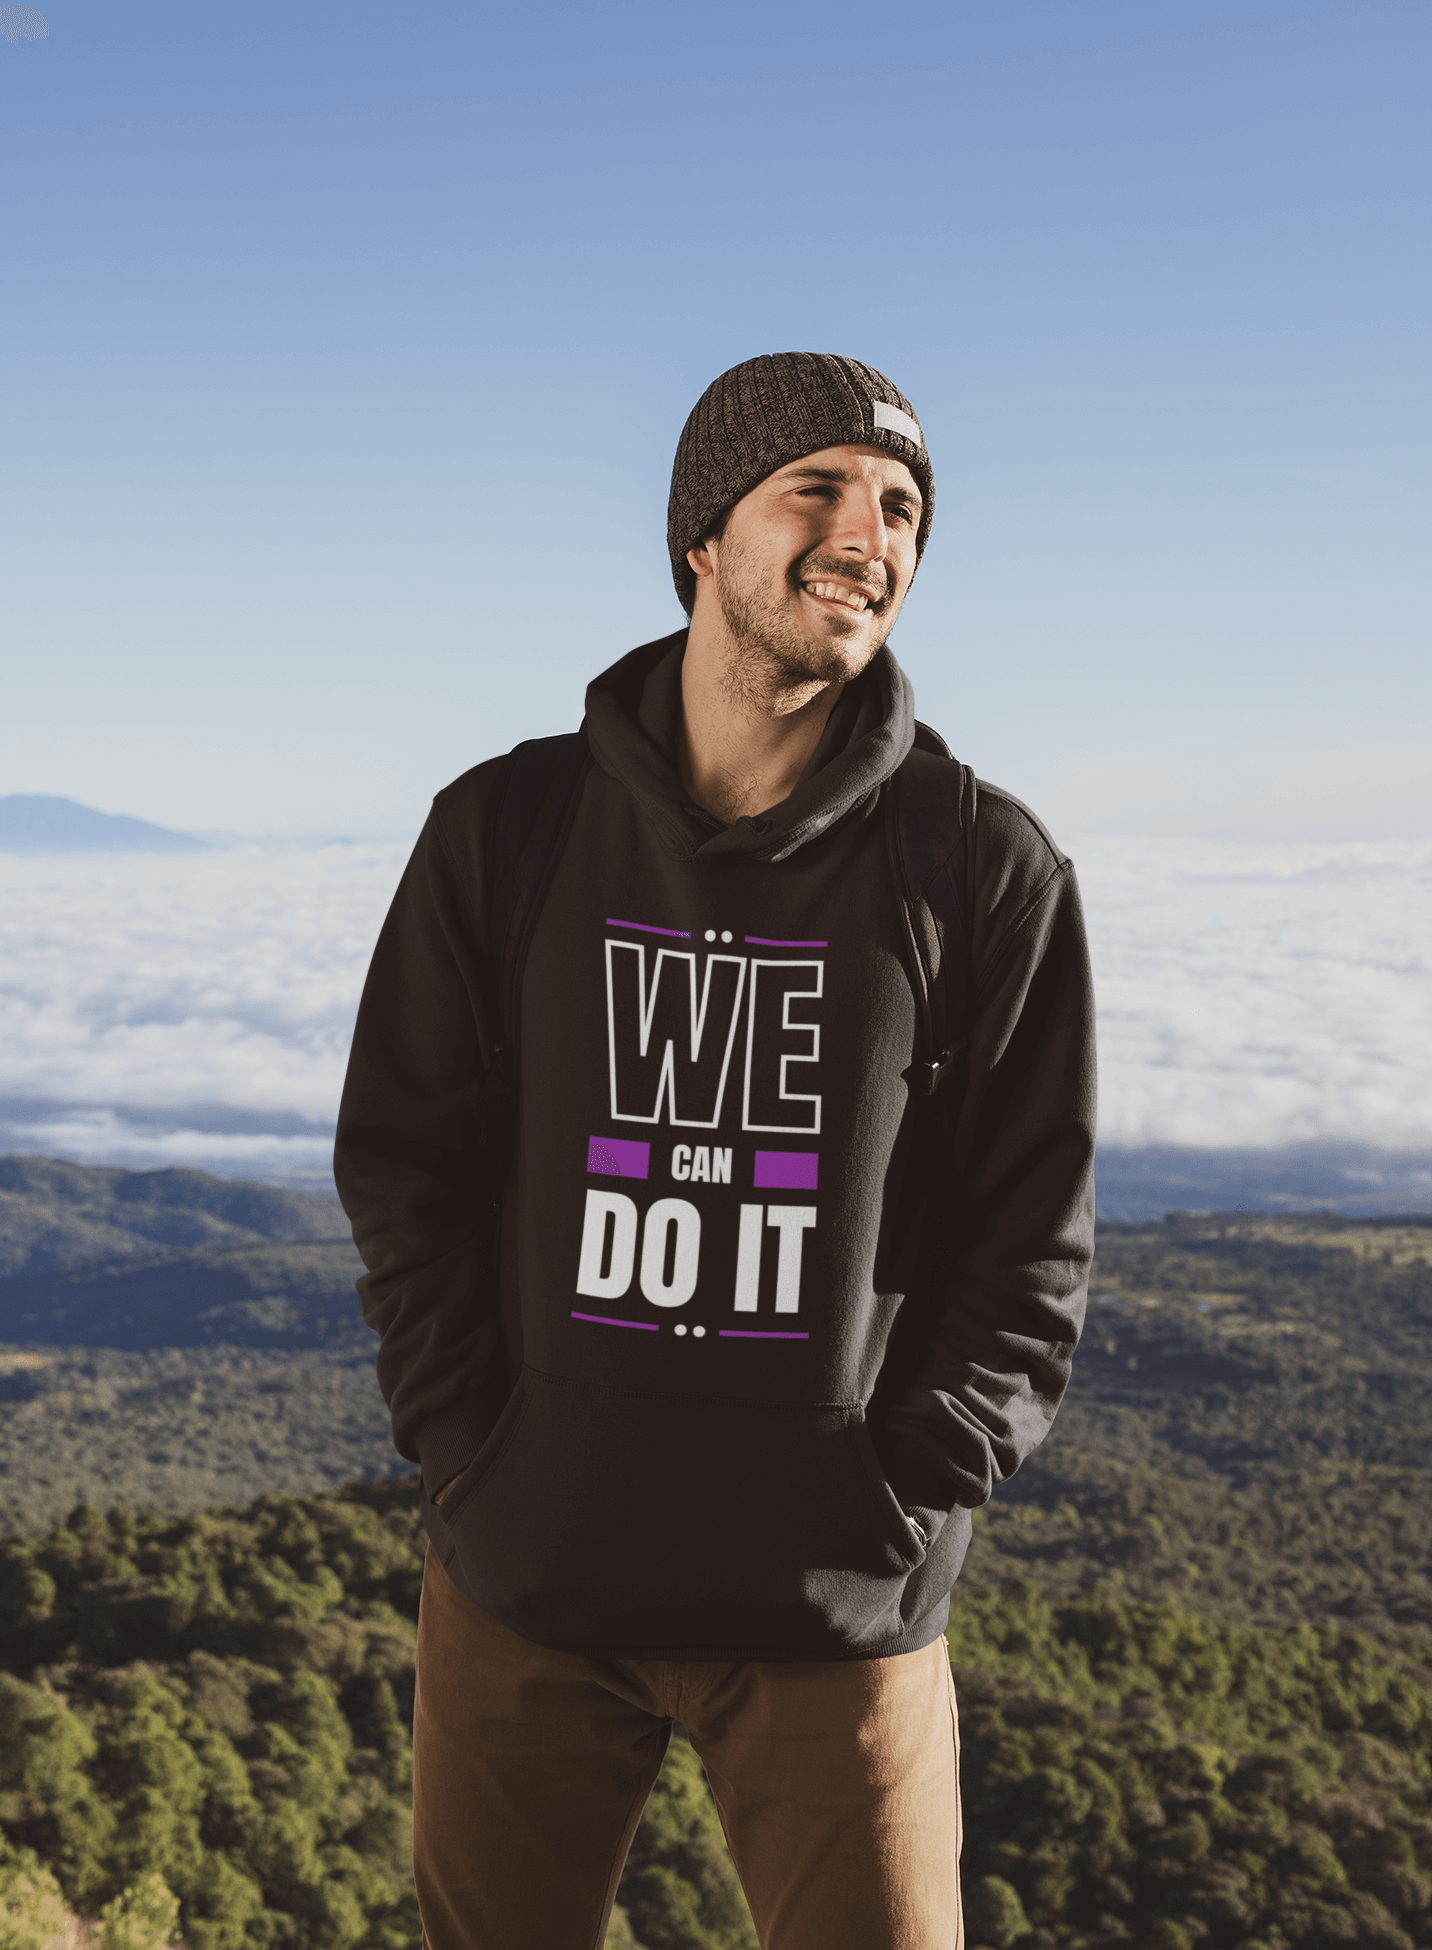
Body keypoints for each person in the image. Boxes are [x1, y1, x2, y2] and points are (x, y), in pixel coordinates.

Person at [334, 352, 1097, 1950]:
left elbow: (1034, 1235)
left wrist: (909, 1487)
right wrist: (470, 1440)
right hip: (527, 1588)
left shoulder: (982, 865)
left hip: (839, 1615)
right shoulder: (510, 830)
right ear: (701, 538)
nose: (866, 533)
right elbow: (406, 1154)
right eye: (811, 488)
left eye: (899, 508)